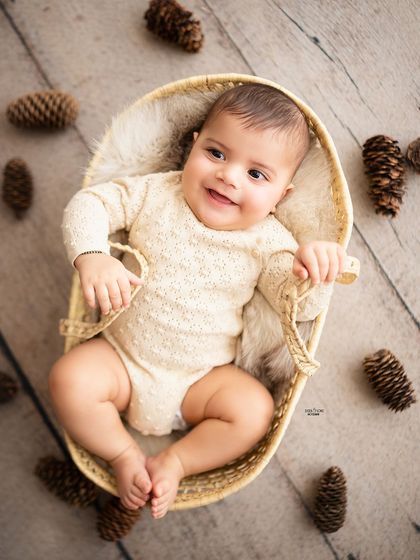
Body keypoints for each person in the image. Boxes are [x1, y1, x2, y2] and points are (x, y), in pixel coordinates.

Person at [49, 83, 347, 520]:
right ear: (193, 146)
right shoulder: (155, 192)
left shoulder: (269, 241)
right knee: (68, 379)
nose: (229, 176)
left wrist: (314, 270)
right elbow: (90, 203)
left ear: (282, 195)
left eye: (257, 174)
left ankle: (177, 461)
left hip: (201, 382)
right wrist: (92, 256)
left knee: (254, 410)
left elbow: (297, 307)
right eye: (217, 154)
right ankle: (123, 455)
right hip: (120, 359)